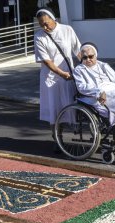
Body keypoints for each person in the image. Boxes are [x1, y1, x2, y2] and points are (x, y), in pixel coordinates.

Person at [34, 7, 81, 153]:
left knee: (71, 104)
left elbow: (78, 50)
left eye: (46, 23)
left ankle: (76, 129)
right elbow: (47, 62)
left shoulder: (67, 30)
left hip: (69, 75)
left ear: (54, 19)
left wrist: (87, 66)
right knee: (55, 110)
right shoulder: (39, 36)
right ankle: (57, 137)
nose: (45, 27)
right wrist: (62, 74)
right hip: (51, 78)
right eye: (42, 24)